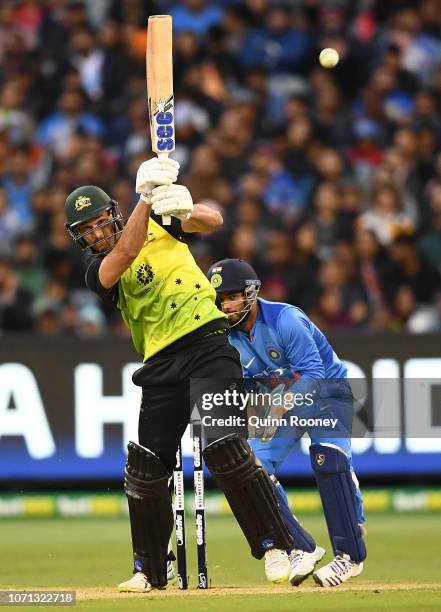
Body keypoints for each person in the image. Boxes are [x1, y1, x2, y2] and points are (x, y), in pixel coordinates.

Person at [64, 158, 294, 593]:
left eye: (99, 222)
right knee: (146, 469)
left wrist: (184, 207)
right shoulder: (98, 271)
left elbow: (215, 220)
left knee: (225, 448)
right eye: (87, 230)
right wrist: (145, 199)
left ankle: (275, 546)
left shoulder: (160, 219)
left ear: (111, 213)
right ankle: (149, 571)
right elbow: (126, 253)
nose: (97, 233)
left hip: (209, 347)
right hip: (160, 364)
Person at [207, 258, 367, 588]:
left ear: (250, 294)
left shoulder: (286, 319)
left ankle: (349, 556)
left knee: (328, 460)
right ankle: (300, 547)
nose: (226, 305)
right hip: (279, 397)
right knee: (252, 469)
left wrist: (282, 403)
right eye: (220, 299)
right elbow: (248, 384)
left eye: (232, 296)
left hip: (327, 392)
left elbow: (315, 373)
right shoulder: (229, 336)